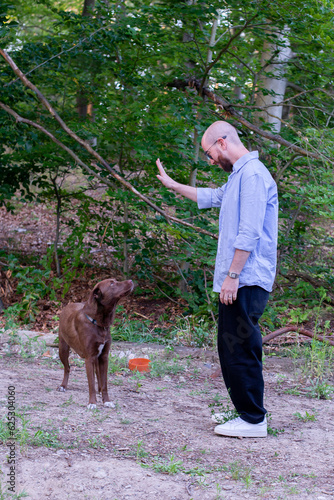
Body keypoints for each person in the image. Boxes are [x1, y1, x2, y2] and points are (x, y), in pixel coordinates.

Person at [156, 121, 278, 438]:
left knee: (240, 346)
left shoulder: (251, 175)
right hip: (239, 278)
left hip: (246, 278)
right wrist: (172, 185)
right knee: (231, 345)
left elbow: (249, 233)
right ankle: (247, 413)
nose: (210, 160)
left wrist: (232, 277)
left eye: (209, 153)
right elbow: (212, 196)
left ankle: (253, 419)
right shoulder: (240, 175)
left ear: (222, 143)